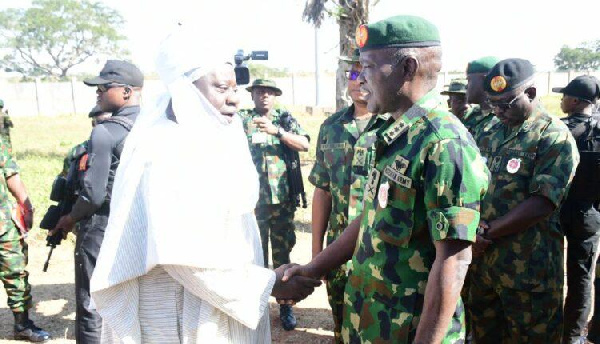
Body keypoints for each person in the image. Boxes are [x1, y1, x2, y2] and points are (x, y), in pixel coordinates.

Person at [88, 27, 320, 344]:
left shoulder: (210, 144)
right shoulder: (164, 152)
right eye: (222, 88)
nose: (235, 99)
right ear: (185, 89)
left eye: (236, 88)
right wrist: (269, 285)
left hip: (214, 305)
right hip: (175, 315)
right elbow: (182, 257)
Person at [282, 15, 489, 343]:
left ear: (408, 68)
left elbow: (454, 260)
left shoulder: (443, 142)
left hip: (409, 331)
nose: (360, 80)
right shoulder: (390, 132)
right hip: (370, 320)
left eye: (368, 67)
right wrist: (313, 269)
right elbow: (369, 218)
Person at [470, 58, 579, 343]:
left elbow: (543, 201)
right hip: (484, 268)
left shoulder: (553, 136)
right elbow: (469, 182)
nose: (497, 111)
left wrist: (486, 233)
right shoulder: (487, 130)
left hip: (529, 269)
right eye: (492, 103)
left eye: (505, 103)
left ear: (530, 93)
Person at [51, 60, 144, 344]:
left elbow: (92, 195)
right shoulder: (153, 125)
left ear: (126, 92)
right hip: (140, 226)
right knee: (133, 302)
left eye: (103, 88)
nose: (98, 93)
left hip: (101, 228)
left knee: (92, 304)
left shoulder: (104, 132)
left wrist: (68, 219)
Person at [308, 48, 389, 343]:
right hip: (339, 252)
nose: (359, 81)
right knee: (341, 326)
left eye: (365, 72)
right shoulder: (331, 128)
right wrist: (318, 253)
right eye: (353, 74)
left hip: (382, 252)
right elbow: (322, 190)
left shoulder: (395, 126)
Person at [239, 78, 310, 330]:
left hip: (282, 200)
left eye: (269, 92)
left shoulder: (283, 118)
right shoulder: (242, 119)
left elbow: (304, 144)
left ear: (275, 96)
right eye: (259, 92)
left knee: (282, 257)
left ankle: (285, 305)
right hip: (251, 202)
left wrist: (276, 131)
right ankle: (256, 310)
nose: (264, 96)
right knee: (254, 257)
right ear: (252, 95)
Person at [552, 75, 600, 344]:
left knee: (551, 272)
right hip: (589, 214)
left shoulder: (558, 129)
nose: (561, 100)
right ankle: (572, 336)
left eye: (564, 96)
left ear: (575, 100)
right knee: (582, 276)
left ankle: (548, 328)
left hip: (554, 210)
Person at [0, 136, 50, 342]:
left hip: (2, 222)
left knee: (16, 273)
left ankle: (22, 324)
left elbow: (10, 172)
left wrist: (25, 204)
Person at [60, 105, 112, 178]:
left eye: (110, 122)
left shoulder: (126, 148)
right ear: (93, 124)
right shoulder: (78, 153)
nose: (106, 126)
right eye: (101, 122)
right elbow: (63, 181)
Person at [462, 56, 500, 138]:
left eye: (469, 80)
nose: (466, 86)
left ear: (486, 80)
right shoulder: (471, 115)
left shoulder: (503, 117)